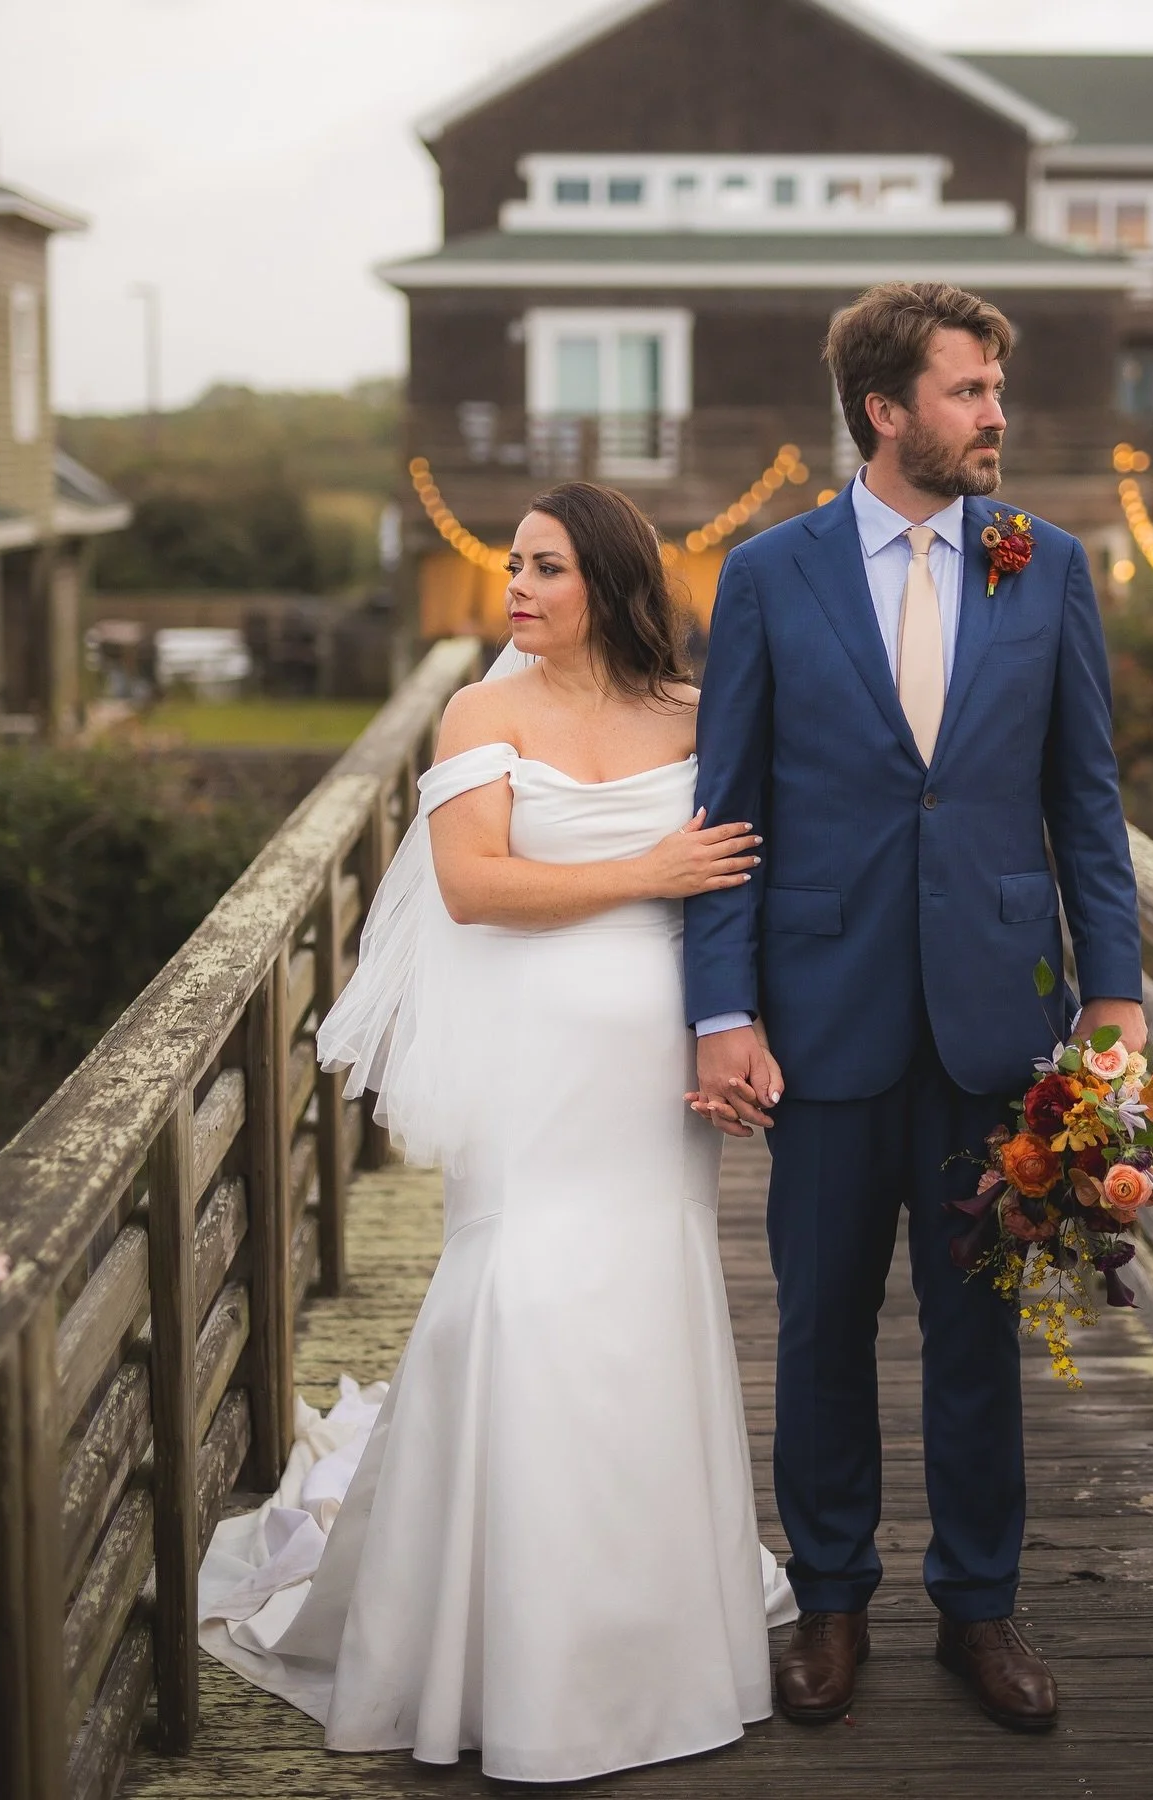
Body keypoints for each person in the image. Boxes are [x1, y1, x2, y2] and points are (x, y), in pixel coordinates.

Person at [196, 481, 795, 1785]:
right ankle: (498, 1653)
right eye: (513, 566)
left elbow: (762, 873)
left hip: (653, 1064)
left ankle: (648, 1645)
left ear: (614, 587)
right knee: (521, 1297)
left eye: (545, 568)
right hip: (533, 1057)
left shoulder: (696, 716)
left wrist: (741, 1024)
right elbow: (474, 886)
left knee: (644, 1306)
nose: (514, 588)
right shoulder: (481, 708)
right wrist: (651, 871)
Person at [684, 281, 1147, 1733]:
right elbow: (728, 809)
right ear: (886, 412)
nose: (996, 415)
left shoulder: (1046, 564)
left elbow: (1086, 798)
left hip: (999, 1021)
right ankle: (830, 1605)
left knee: (977, 1332)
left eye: (996, 391)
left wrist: (1117, 993)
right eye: (967, 392)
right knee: (818, 1326)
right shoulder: (769, 573)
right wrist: (722, 1011)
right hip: (819, 1023)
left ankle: (979, 1610)